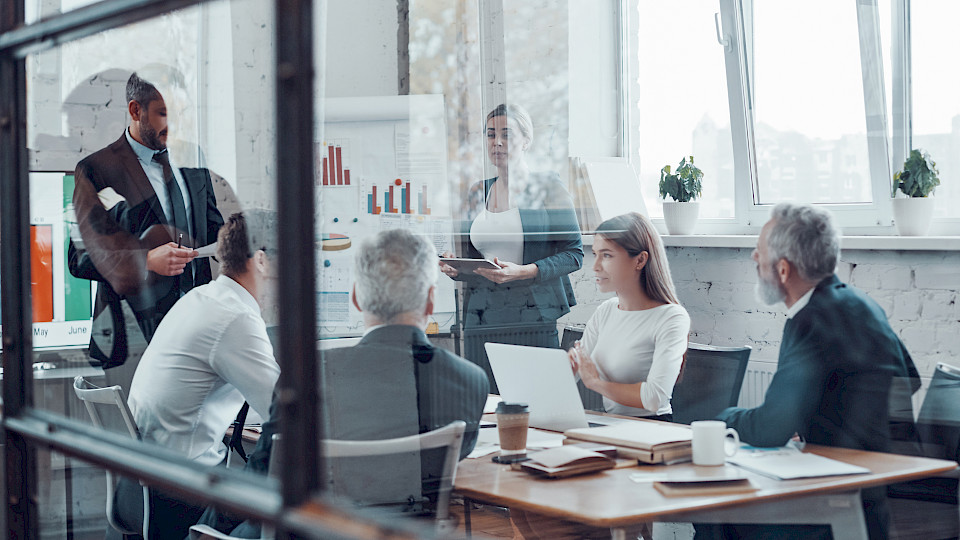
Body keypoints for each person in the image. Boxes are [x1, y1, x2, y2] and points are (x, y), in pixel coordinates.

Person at [194, 228, 489, 537]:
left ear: (357, 298)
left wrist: (201, 531)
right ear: (430, 300)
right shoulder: (470, 381)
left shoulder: (309, 377)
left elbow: (259, 473)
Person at [697, 203, 921, 540]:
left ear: (783, 270)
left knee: (714, 511)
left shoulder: (809, 321)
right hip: (881, 492)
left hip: (841, 500)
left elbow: (771, 428)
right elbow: (910, 380)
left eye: (759, 252)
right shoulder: (863, 304)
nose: (753, 260)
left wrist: (722, 420)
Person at [114, 212, 280, 539]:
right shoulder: (235, 317)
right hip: (184, 493)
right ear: (261, 260)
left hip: (146, 483)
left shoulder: (201, 299)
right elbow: (285, 408)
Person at [69, 70, 224, 373]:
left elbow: (212, 229)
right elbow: (79, 257)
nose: (176, 123)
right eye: (165, 113)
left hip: (199, 328)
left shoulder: (194, 157)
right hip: (137, 341)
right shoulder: (96, 169)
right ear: (135, 110)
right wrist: (146, 260)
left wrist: (239, 243)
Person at [440, 103, 583, 392]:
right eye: (491, 135)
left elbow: (574, 253)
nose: (498, 142)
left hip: (532, 312)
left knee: (539, 400)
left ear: (526, 141)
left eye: (507, 134)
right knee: (488, 402)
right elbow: (477, 262)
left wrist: (524, 271)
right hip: (482, 316)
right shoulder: (478, 191)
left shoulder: (547, 187)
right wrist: (457, 268)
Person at [568, 212, 690, 421]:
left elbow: (655, 398)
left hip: (652, 429)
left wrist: (596, 383)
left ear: (640, 260)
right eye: (595, 254)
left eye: (606, 255)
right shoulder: (605, 311)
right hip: (613, 425)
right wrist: (566, 367)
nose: (595, 266)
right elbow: (576, 372)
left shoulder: (671, 318)